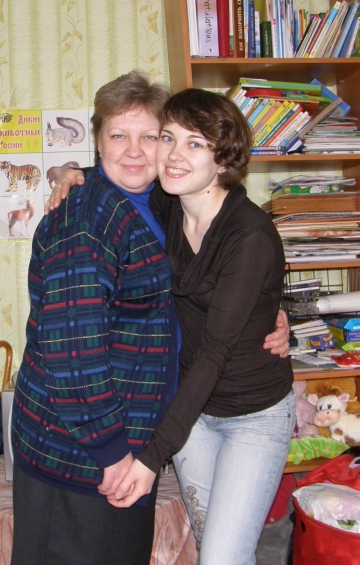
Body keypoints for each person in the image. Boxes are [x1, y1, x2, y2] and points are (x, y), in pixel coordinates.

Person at [50, 87, 295, 565]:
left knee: (222, 558)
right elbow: (118, 169)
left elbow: (215, 352)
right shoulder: (168, 203)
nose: (173, 155)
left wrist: (150, 457)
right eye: (169, 138)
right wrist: (69, 173)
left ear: (223, 160)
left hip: (253, 415)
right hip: (192, 414)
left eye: (194, 144)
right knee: (213, 548)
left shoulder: (248, 235)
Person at [9, 71, 177, 565]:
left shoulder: (153, 203)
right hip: (81, 455)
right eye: (119, 135)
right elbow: (72, 348)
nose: (134, 151)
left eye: (150, 137)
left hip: (126, 443)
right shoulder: (86, 218)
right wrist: (111, 450)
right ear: (99, 140)